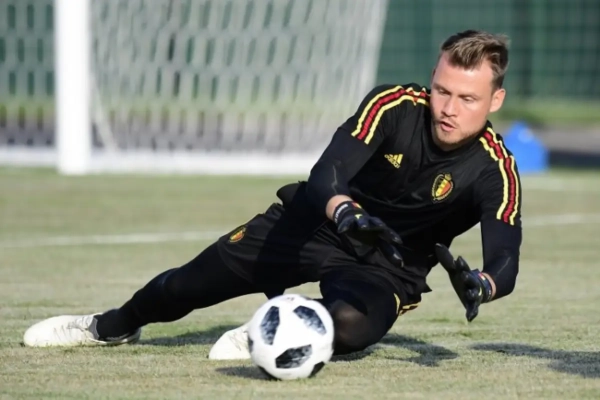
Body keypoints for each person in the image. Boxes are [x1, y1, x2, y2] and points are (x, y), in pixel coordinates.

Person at [23, 30, 522, 360]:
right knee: (183, 287)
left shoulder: (496, 169)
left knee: (352, 327)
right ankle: (109, 325)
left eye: (467, 98)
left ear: (495, 99)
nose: (448, 108)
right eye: (442, 90)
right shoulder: (393, 105)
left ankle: (277, 326)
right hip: (314, 223)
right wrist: (344, 211)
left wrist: (482, 284)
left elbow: (505, 259)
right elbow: (327, 172)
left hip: (387, 265)